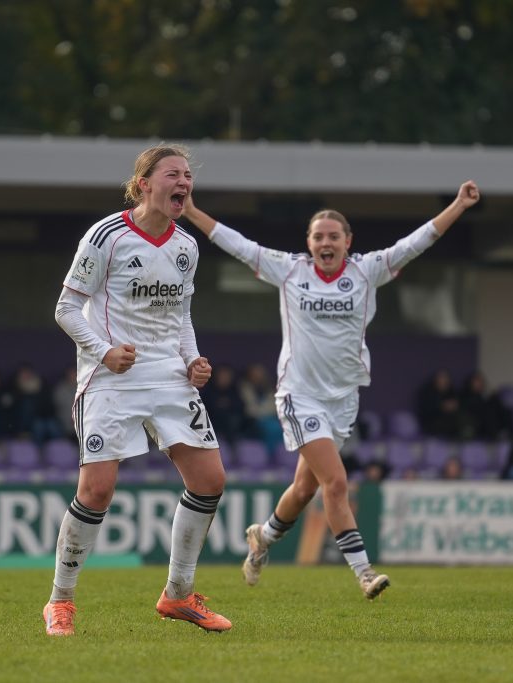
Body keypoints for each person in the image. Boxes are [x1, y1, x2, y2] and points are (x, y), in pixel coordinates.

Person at [183, 179, 481, 598]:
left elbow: (419, 241)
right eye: (318, 236)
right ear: (308, 243)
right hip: (298, 395)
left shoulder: (368, 270)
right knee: (336, 484)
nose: (326, 242)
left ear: (347, 242)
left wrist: (458, 206)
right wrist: (193, 212)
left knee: (305, 488)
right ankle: (364, 573)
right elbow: (238, 244)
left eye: (333, 236)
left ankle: (261, 540)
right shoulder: (290, 270)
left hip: (343, 399)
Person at [44, 144, 230, 636]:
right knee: (97, 490)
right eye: (174, 173)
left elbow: (181, 315)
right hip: (111, 377)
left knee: (210, 480)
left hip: (167, 375)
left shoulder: (186, 246)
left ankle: (178, 595)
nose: (184, 182)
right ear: (145, 183)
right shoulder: (106, 235)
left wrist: (191, 360)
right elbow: (66, 308)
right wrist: (103, 351)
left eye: (189, 175)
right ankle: (61, 601)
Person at [239, 362, 284, 453]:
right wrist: (262, 412)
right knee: (272, 428)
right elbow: (251, 410)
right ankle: (269, 456)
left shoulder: (269, 389)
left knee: (282, 427)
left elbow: (274, 408)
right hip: (251, 422)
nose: (258, 376)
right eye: (254, 373)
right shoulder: (244, 388)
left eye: (260, 373)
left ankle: (279, 457)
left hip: (270, 419)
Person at [11, 364, 61, 444]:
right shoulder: (14, 389)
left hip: (43, 416)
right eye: (23, 374)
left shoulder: (42, 387)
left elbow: (48, 405)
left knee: (52, 426)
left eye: (27, 373)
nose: (25, 376)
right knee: (38, 427)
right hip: (25, 423)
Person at [458, 371, 513, 440]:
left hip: (491, 421)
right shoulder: (465, 395)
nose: (479, 384)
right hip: (476, 422)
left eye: (480, 382)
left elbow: (497, 407)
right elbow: (472, 407)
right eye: (476, 382)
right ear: (471, 383)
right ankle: (496, 435)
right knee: (489, 412)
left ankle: (509, 435)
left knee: (507, 411)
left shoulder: (485, 395)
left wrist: (494, 397)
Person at [198, 364, 247, 444]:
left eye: (227, 377)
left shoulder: (234, 391)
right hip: (212, 425)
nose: (224, 379)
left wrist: (227, 405)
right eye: (222, 376)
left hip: (233, 426)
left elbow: (241, 407)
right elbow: (206, 408)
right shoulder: (208, 391)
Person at [416, 369, 463, 440]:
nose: (443, 381)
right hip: (431, 425)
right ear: (435, 380)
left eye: (445, 379)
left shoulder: (452, 393)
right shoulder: (428, 393)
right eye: (441, 378)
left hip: (451, 429)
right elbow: (426, 411)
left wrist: (453, 407)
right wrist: (442, 406)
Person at [51, 365, 78, 441]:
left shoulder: (83, 388)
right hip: (65, 423)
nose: (72, 376)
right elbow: (59, 408)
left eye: (75, 374)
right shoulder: (60, 389)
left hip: (83, 423)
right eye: (70, 374)